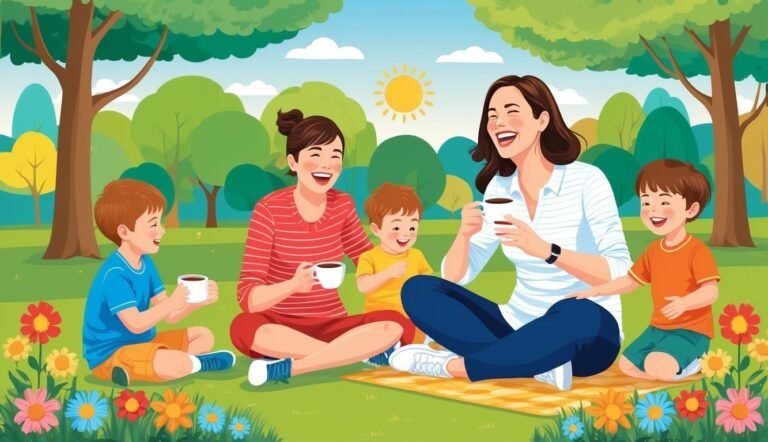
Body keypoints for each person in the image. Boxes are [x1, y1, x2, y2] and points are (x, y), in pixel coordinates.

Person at [389, 75, 631, 391]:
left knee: (578, 312)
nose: (499, 122)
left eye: (511, 111)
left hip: (586, 334)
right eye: (492, 115)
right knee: (419, 290)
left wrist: (548, 251)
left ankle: (452, 367)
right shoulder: (499, 190)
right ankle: (535, 364)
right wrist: (463, 236)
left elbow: (622, 270)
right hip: (514, 325)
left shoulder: (586, 180)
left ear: (542, 119)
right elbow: (457, 277)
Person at [230, 109, 415, 386]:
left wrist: (395, 239)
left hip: (333, 325)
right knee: (243, 327)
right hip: (280, 325)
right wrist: (292, 285)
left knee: (397, 324)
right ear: (293, 162)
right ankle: (355, 354)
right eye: (315, 154)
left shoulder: (343, 204)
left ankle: (291, 368)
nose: (326, 164)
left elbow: (368, 259)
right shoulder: (268, 209)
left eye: (335, 156)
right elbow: (248, 297)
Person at [567, 159, 718, 381]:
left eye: (664, 201)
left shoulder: (696, 251)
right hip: (657, 329)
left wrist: (685, 303)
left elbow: (711, 291)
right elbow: (631, 281)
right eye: (646, 203)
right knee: (626, 365)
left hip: (691, 333)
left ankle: (694, 364)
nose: (653, 210)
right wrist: (595, 291)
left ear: (691, 209)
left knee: (655, 365)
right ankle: (661, 370)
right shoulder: (654, 250)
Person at [84, 179, 234, 387]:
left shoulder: (146, 263)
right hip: (111, 354)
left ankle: (180, 364)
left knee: (204, 336)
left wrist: (197, 302)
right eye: (153, 224)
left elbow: (170, 316)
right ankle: (189, 364)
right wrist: (172, 302)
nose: (161, 230)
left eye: (160, 222)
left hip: (145, 343)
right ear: (125, 232)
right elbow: (135, 324)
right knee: (174, 362)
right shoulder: (115, 274)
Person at [356, 183, 433, 344]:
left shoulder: (416, 255)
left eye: (412, 226)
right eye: (397, 227)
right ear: (377, 229)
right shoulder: (369, 257)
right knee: (388, 330)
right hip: (381, 318)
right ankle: (385, 348)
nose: (405, 233)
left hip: (412, 315)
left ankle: (404, 347)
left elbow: (428, 283)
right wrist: (387, 274)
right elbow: (363, 286)